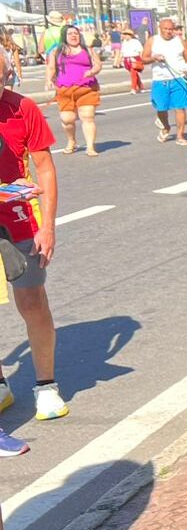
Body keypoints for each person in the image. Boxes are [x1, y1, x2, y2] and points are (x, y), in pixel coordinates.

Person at [0, 49, 67, 421]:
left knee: (32, 302)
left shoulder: (22, 108)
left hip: (20, 220)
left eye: (2, 79)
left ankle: (46, 385)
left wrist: (48, 225)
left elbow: (44, 168)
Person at [46, 24, 102, 157]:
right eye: (70, 33)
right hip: (65, 90)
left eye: (76, 33)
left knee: (87, 117)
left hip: (86, 88)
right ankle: (71, 140)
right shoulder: (57, 51)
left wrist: (92, 71)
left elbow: (98, 65)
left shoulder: (87, 50)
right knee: (67, 119)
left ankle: (90, 147)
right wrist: (48, 80)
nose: (73, 36)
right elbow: (51, 68)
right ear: (64, 36)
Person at [141, 17, 187, 144]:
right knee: (161, 108)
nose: (168, 31)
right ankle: (166, 127)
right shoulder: (152, 40)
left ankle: (180, 136)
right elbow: (143, 58)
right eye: (165, 29)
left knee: (180, 107)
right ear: (160, 29)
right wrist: (154, 58)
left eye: (171, 29)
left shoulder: (180, 41)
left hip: (178, 78)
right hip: (160, 79)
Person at [118, 28, 145, 94]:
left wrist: (141, 60)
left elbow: (141, 51)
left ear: (130, 35)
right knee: (134, 74)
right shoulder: (124, 42)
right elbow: (122, 52)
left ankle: (133, 88)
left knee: (133, 73)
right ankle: (141, 86)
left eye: (127, 34)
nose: (125, 36)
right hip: (127, 59)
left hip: (134, 58)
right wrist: (119, 60)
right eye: (124, 34)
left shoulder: (135, 42)